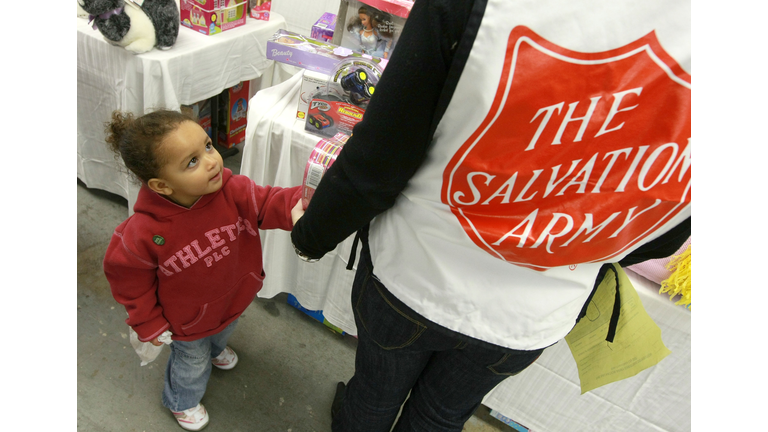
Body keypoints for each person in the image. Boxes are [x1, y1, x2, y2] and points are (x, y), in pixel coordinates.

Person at [290, 0, 691, 431]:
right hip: (534, 311)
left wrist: (311, 236)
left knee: (373, 395)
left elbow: (380, 159)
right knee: (440, 415)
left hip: (418, 269)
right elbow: (663, 235)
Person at [102, 109, 304, 431]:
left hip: (234, 300)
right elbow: (130, 284)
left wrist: (301, 202)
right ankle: (181, 401)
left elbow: (268, 203)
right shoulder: (142, 234)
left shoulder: (231, 190)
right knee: (191, 363)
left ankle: (215, 349)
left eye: (208, 146)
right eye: (192, 161)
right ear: (162, 185)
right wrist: (148, 323)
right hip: (186, 322)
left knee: (223, 333)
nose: (212, 161)